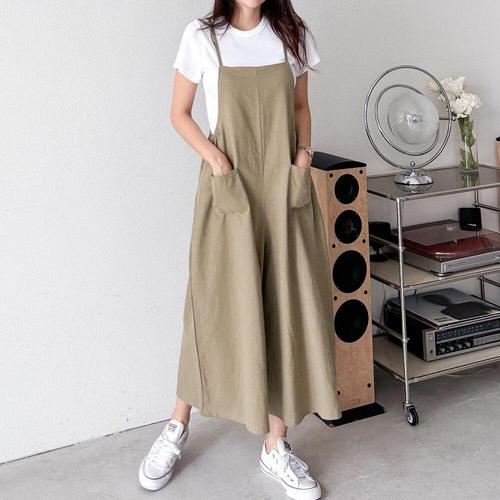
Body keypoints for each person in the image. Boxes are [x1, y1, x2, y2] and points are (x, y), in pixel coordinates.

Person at [138, 1, 341, 498]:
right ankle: (177, 426)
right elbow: (179, 114)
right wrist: (218, 162)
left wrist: (302, 160)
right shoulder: (201, 36)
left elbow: (300, 107)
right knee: (211, 304)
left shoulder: (292, 33)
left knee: (284, 305)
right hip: (230, 187)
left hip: (284, 188)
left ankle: (276, 446)